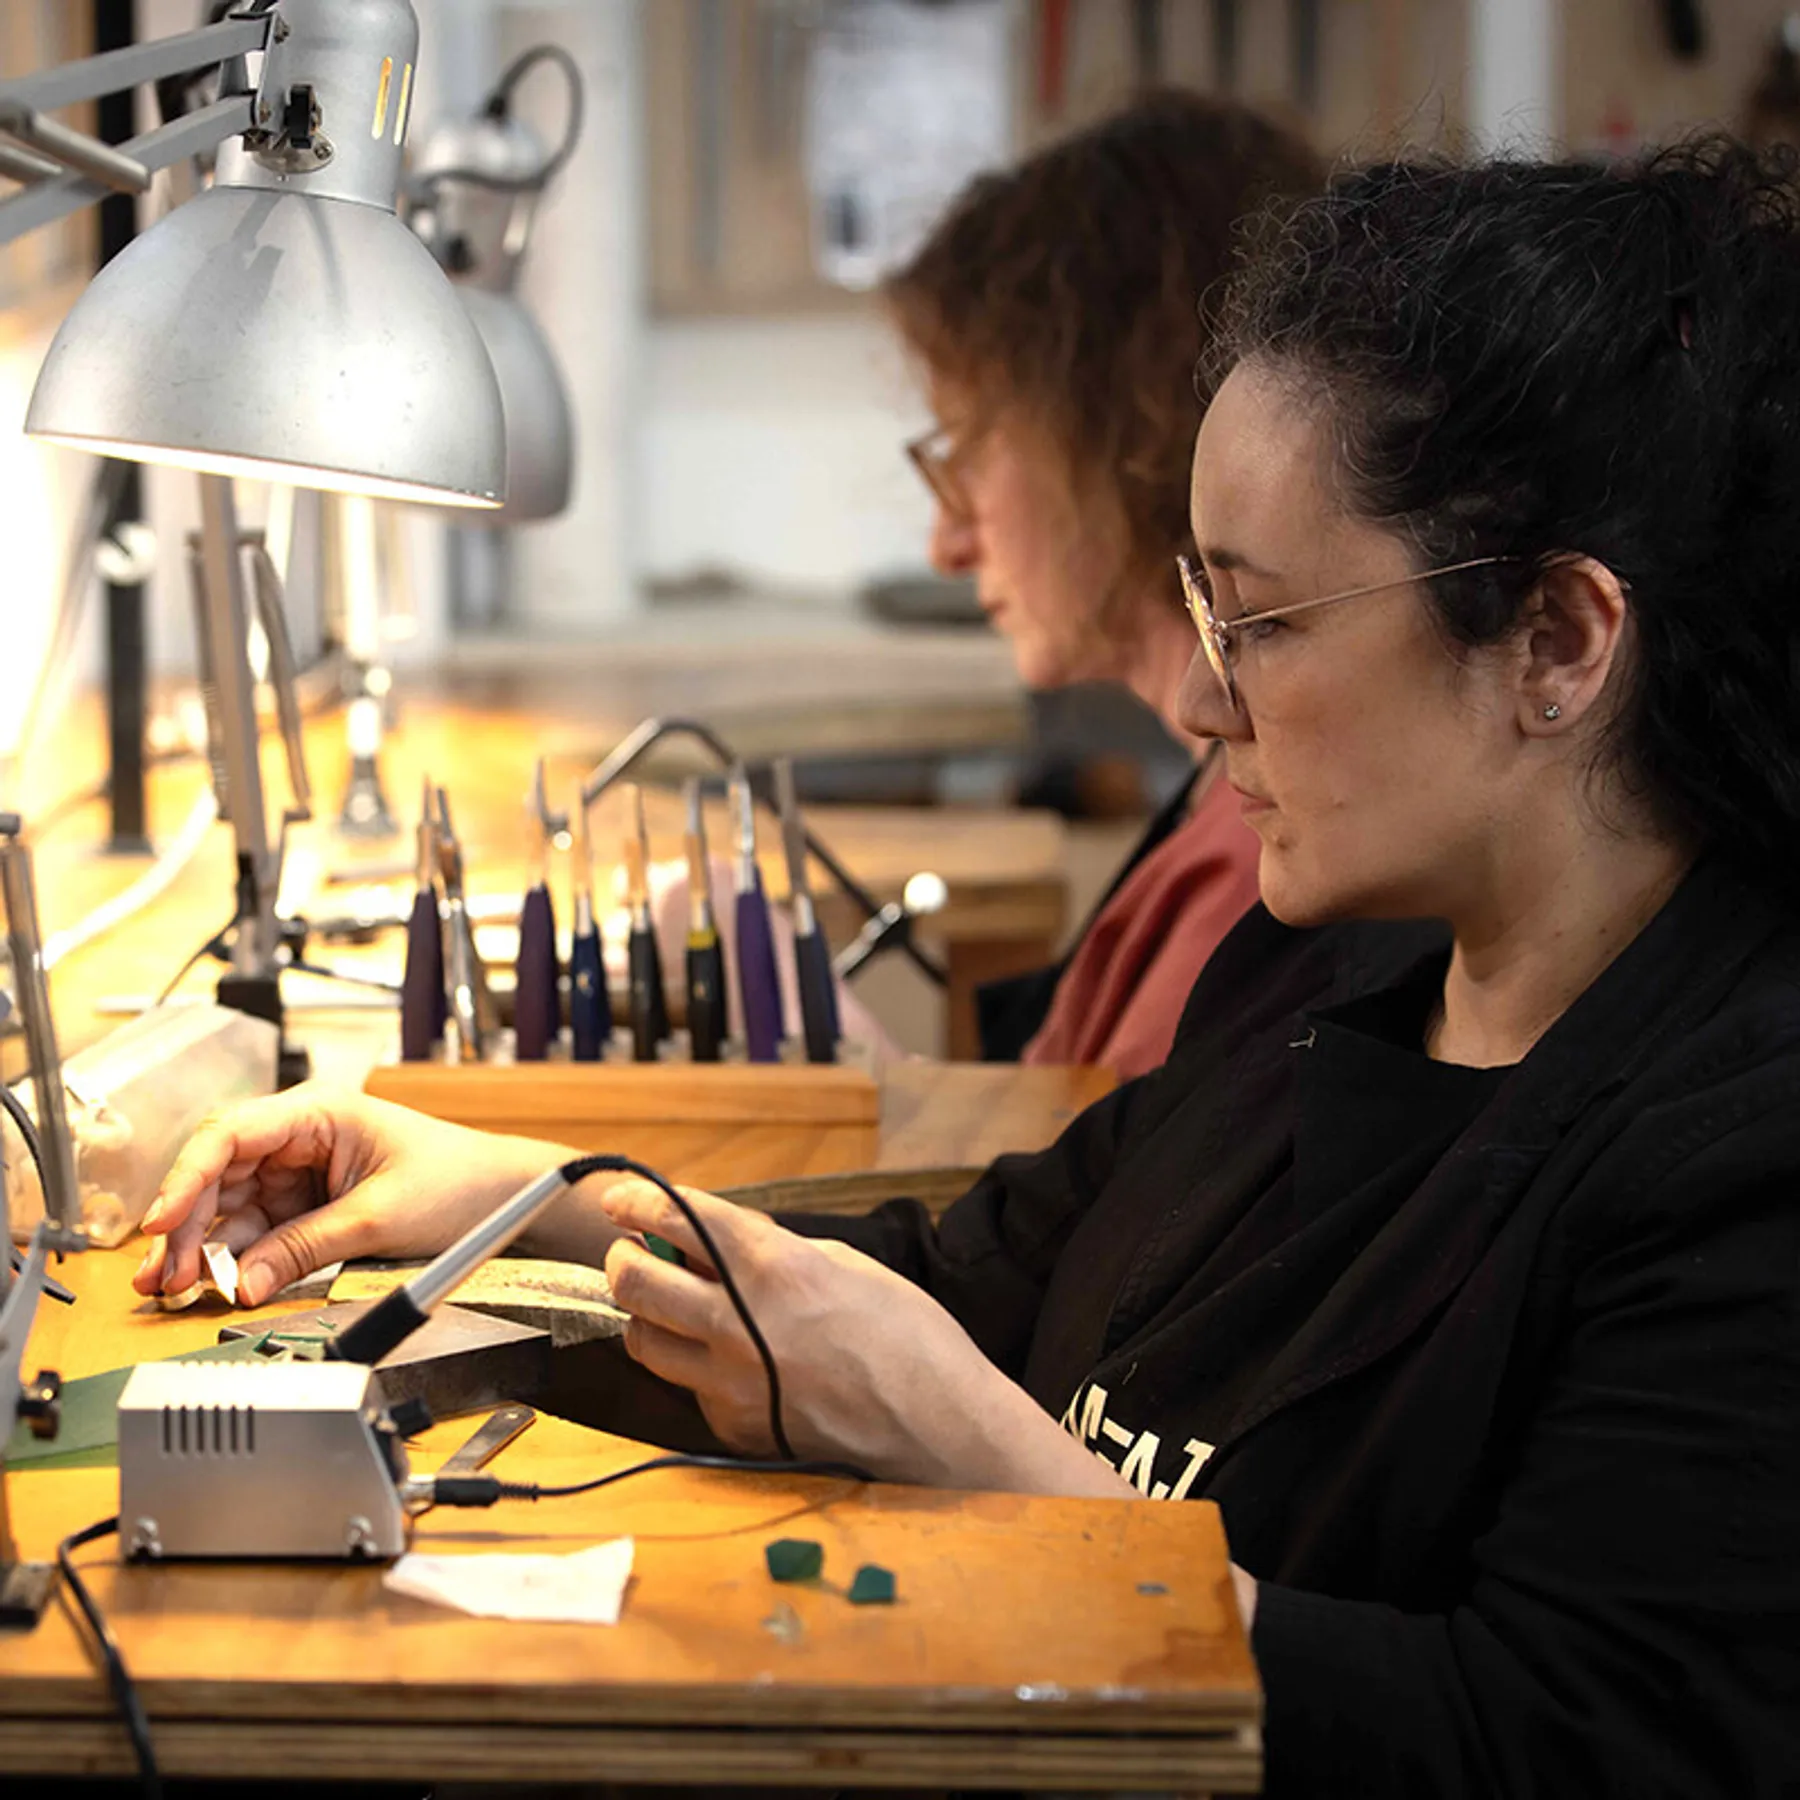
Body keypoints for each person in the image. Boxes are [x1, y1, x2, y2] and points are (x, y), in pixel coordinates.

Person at [137, 137, 1800, 1795]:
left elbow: (1529, 1746)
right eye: (1203, 613)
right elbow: (976, 1269)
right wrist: (526, 1194)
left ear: (1560, 643)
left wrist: (981, 1457)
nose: (1207, 704)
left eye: (1267, 624)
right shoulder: (1330, 972)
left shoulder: (1736, 1162)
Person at [881, 89, 1318, 1076]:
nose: (947, 543)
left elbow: (1082, 1222)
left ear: (1118, 428)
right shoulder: (1238, 824)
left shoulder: (1261, 877)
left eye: (969, 451)